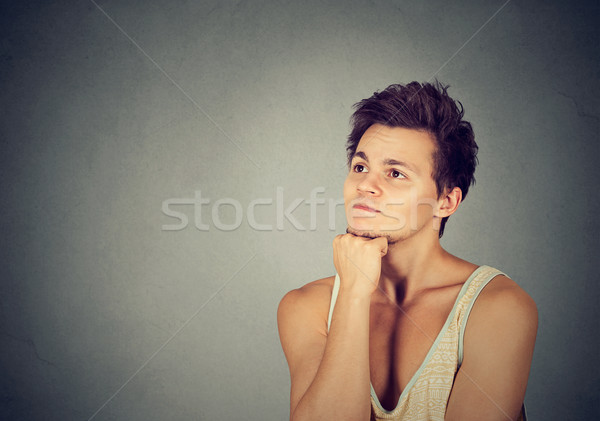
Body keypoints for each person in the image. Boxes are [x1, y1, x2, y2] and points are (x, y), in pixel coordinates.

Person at [277, 82, 538, 421]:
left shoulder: (498, 308)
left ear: (445, 201)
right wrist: (354, 293)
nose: (365, 186)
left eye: (395, 173)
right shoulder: (306, 307)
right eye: (360, 167)